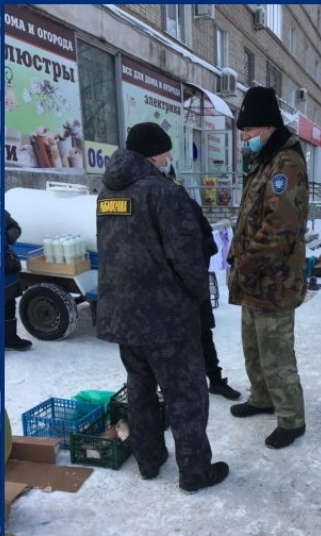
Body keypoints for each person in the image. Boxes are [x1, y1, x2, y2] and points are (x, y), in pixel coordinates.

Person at [96, 122, 229, 493]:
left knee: (139, 388)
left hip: (124, 314)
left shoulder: (107, 193)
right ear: (153, 154)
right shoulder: (162, 193)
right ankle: (195, 472)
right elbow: (186, 256)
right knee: (185, 396)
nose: (170, 159)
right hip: (166, 316)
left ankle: (149, 461)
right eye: (167, 152)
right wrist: (197, 297)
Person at [227, 86, 309, 450]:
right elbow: (249, 216)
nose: (244, 138)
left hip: (273, 279)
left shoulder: (285, 164)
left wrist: (243, 264)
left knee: (276, 352)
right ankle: (262, 397)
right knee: (254, 347)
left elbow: (278, 228)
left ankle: (291, 419)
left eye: (247, 131)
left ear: (266, 127)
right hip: (253, 278)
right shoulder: (264, 161)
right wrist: (236, 256)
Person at [168, 166, 241, 401]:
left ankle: (216, 381)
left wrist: (193, 253)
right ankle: (177, 386)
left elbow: (210, 241)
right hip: (167, 287)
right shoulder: (152, 210)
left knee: (203, 335)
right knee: (172, 339)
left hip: (194, 282)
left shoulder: (189, 205)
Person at [2, 210, 32, 351]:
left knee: (9, 300)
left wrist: (7, 236)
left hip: (5, 263)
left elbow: (16, 228)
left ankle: (9, 338)